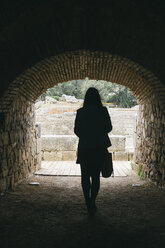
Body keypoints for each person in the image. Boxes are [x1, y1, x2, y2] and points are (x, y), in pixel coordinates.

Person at [74, 87, 112, 214]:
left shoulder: (81, 112)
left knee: (85, 176)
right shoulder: (103, 111)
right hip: (99, 147)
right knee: (96, 176)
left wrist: (86, 135)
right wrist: (98, 133)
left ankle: (87, 202)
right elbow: (109, 127)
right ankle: (92, 201)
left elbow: (77, 130)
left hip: (85, 147)